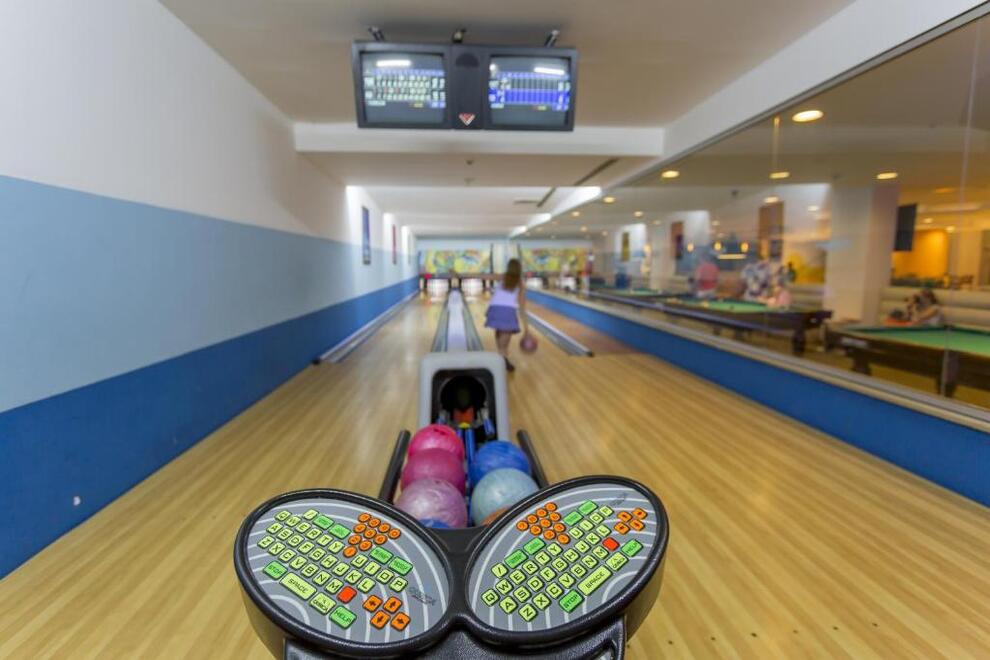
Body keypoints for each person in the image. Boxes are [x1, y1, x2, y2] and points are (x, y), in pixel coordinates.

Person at [485, 258, 529, 372]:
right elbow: (522, 308)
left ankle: (501, 359)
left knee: (500, 331)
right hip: (507, 311)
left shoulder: (503, 277)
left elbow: (481, 276)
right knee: (504, 343)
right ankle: (503, 361)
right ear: (519, 269)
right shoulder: (520, 283)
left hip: (494, 309)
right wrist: (527, 329)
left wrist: (459, 275)